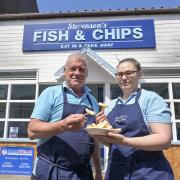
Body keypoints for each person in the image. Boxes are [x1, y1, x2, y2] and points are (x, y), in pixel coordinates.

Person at [95, 58, 174, 180]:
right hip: (117, 173)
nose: (124, 77)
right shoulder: (110, 105)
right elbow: (109, 142)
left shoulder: (150, 99)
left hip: (149, 172)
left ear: (139, 74)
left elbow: (164, 140)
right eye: (120, 74)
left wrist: (125, 141)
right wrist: (102, 132)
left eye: (129, 72)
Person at [28, 53, 103, 180]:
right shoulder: (51, 93)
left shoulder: (92, 101)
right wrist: (63, 125)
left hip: (82, 174)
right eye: (72, 68)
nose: (77, 73)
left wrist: (99, 171)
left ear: (86, 74)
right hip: (50, 172)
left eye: (82, 69)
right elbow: (32, 131)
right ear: (65, 71)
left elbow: (93, 139)